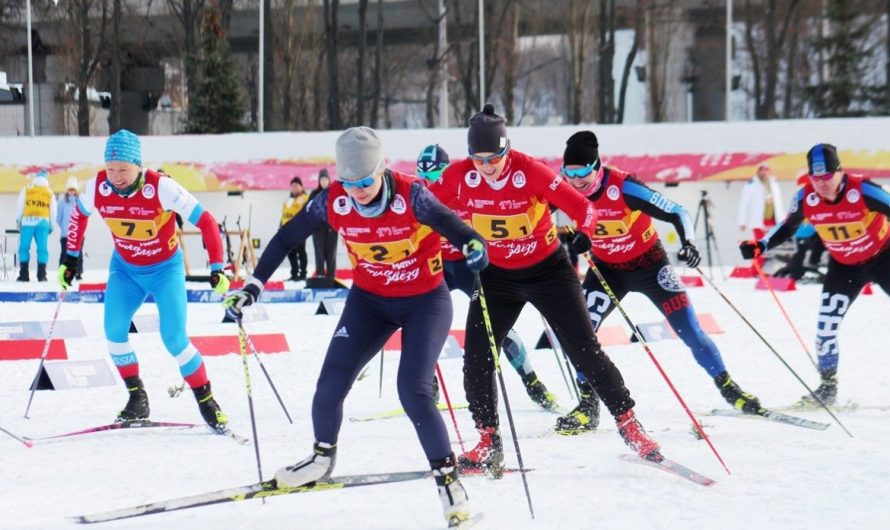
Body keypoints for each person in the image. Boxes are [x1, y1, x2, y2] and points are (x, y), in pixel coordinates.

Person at [224, 127, 486, 527]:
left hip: (425, 303)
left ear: (381, 170)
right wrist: (253, 286)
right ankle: (321, 457)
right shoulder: (330, 202)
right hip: (369, 302)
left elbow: (455, 227)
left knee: (413, 391)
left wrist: (473, 245)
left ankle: (449, 481)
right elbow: (284, 239)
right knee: (329, 385)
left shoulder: (412, 195)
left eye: (365, 181)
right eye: (349, 183)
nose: (358, 191)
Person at [431, 105, 663, 471]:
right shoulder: (461, 176)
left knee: (585, 351)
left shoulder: (530, 170)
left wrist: (586, 232)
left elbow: (582, 207)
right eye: (479, 159)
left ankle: (630, 424)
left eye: (495, 158)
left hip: (548, 272)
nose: (488, 167)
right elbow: (424, 207)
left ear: (507, 149)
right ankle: (488, 440)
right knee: (477, 355)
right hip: (496, 277)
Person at [557, 130, 764, 433]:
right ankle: (588, 405)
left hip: (649, 265)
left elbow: (676, 211)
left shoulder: (624, 187)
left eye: (582, 173)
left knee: (690, 330)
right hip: (607, 272)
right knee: (581, 331)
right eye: (568, 174)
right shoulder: (565, 188)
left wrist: (689, 244)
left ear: (597, 166)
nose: (575, 182)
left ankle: (729, 387)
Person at [58, 129, 232, 431]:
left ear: (138, 165)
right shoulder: (97, 185)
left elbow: (207, 222)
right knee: (113, 332)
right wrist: (70, 257)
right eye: (111, 169)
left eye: (123, 169)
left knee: (175, 339)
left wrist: (217, 265)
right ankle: (137, 397)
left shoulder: (161, 187)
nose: (116, 177)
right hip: (125, 270)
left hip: (165, 270)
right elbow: (78, 215)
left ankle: (207, 401)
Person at [740, 143, 890, 406]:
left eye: (827, 176)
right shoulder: (805, 198)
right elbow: (787, 227)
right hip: (845, 267)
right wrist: (761, 245)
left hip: (883, 258)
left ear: (840, 173)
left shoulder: (863, 190)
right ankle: (828, 388)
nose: (821, 183)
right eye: (815, 177)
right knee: (825, 329)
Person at [416, 143, 557, 410]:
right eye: (424, 176)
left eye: (435, 176)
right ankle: (428, 385)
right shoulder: (423, 195)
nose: (429, 183)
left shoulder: (465, 187)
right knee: (421, 322)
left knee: (499, 328)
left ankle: (532, 382)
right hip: (441, 267)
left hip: (472, 267)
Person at [15, 169, 57, 282]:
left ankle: (24, 275)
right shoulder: (49, 192)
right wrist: (52, 225)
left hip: (27, 222)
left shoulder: (27, 189)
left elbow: (20, 205)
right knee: (42, 249)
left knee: (24, 248)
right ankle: (42, 275)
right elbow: (53, 210)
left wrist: (18, 220)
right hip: (43, 222)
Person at [738, 164, 785, 238]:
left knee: (772, 242)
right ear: (758, 171)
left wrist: (782, 219)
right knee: (760, 243)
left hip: (773, 219)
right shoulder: (751, 185)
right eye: (762, 170)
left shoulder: (774, 183)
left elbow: (779, 204)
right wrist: (742, 221)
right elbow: (744, 204)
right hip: (758, 219)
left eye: (766, 170)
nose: (764, 172)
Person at [309, 169, 338, 278]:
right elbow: (309, 209)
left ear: (329, 180)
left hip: (332, 228)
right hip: (318, 229)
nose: (324, 181)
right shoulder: (314, 193)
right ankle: (320, 274)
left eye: (326, 179)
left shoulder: (334, 192)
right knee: (319, 252)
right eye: (322, 179)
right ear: (319, 181)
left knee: (331, 253)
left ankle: (331, 275)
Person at [282, 176, 309, 281]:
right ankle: (294, 274)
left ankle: (303, 274)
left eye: (296, 186)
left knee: (301, 251)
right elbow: (284, 213)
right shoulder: (288, 199)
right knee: (291, 252)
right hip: (288, 229)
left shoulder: (305, 198)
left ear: (301, 187)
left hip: (300, 229)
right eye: (292, 186)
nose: (294, 188)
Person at [57, 177, 84, 280]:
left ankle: (78, 272)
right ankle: (62, 272)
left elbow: (84, 216)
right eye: (70, 189)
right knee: (64, 253)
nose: (71, 191)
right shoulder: (63, 202)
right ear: (67, 190)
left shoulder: (80, 202)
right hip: (66, 234)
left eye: (73, 189)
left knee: (78, 253)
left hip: (78, 234)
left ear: (76, 190)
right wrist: (65, 227)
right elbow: (59, 218)